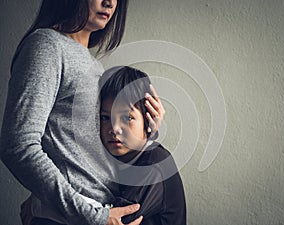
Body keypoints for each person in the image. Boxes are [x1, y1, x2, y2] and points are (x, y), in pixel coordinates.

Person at [0, 1, 165, 225]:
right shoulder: (46, 46)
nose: (110, 2)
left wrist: (147, 132)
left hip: (99, 210)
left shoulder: (95, 66)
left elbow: (74, 151)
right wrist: (92, 217)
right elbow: (18, 144)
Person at [99, 66, 186, 225]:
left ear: (148, 118)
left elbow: (116, 219)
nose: (114, 128)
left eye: (127, 118)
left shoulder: (154, 164)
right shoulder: (116, 158)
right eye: (105, 117)